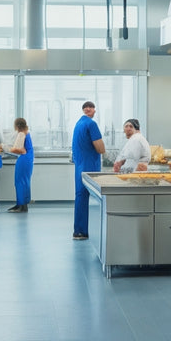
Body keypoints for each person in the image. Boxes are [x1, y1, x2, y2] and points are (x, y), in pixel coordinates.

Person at [71, 101, 105, 240]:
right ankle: (82, 231)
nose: (89, 109)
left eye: (90, 107)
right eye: (87, 107)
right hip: (89, 165)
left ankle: (79, 231)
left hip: (80, 165)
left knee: (80, 197)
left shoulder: (78, 124)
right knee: (95, 196)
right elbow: (100, 148)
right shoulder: (91, 124)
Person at [6, 118, 34, 213]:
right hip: (28, 158)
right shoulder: (27, 133)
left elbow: (17, 149)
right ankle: (22, 204)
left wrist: (5, 147)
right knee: (25, 181)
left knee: (19, 182)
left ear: (17, 126)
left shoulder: (21, 134)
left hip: (23, 159)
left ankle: (21, 205)